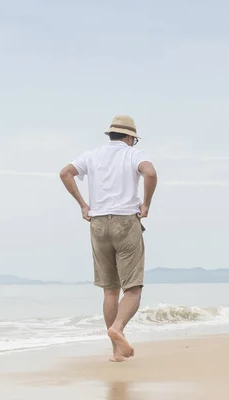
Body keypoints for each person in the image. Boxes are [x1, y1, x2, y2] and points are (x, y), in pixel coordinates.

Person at [59, 115, 158, 362]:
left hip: (98, 223)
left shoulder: (91, 156)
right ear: (128, 137)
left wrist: (83, 205)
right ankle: (118, 328)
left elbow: (65, 173)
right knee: (133, 289)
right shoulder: (133, 155)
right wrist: (145, 204)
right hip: (126, 221)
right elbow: (151, 173)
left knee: (110, 290)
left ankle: (116, 351)